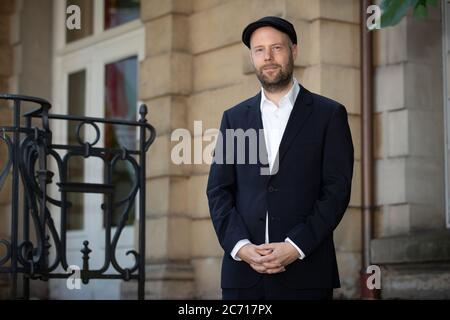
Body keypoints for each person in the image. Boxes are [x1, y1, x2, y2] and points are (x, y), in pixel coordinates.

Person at [206, 16, 354, 300]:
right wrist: (240, 247)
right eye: (259, 50)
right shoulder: (234, 118)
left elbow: (336, 190)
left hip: (307, 273)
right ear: (252, 57)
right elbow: (218, 190)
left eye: (277, 47)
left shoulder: (329, 114)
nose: (268, 57)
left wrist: (295, 246)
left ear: (294, 51)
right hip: (242, 278)